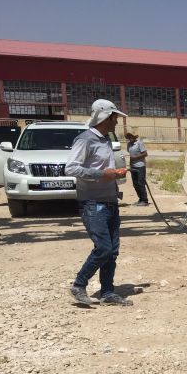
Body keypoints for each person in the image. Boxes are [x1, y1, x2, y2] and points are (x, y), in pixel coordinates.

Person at [65, 99, 133, 307]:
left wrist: (115, 174)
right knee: (103, 248)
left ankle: (107, 292)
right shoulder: (85, 139)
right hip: (93, 204)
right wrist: (102, 174)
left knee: (112, 251)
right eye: (115, 118)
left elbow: (106, 169)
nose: (117, 122)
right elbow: (71, 168)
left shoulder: (106, 140)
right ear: (105, 117)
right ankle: (79, 285)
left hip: (110, 201)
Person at [126, 130, 149, 206]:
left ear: (134, 137)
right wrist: (130, 165)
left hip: (140, 166)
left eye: (130, 136)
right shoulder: (129, 144)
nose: (129, 138)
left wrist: (135, 158)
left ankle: (145, 200)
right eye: (128, 137)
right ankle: (140, 199)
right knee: (135, 184)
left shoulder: (139, 143)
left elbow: (145, 154)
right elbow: (130, 156)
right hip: (133, 167)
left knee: (141, 183)